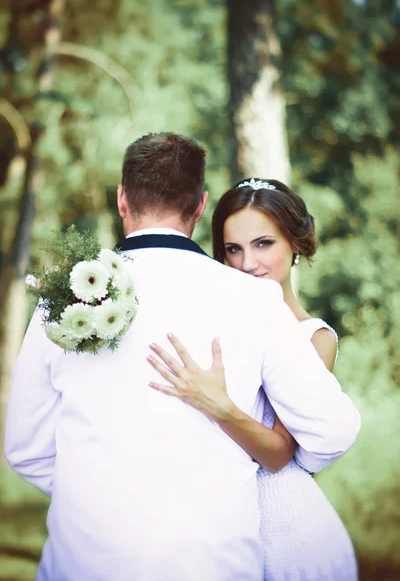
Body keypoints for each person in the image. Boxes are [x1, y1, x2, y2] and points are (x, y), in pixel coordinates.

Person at [4, 136, 360, 581]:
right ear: (200, 207)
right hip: (215, 564)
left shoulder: (67, 298)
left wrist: (102, 497)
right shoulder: (256, 300)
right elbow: (331, 432)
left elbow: (25, 448)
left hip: (83, 562)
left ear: (121, 199)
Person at [147, 177, 358, 580]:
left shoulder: (313, 338)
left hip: (279, 524)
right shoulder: (217, 318)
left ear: (294, 242)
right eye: (233, 249)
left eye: (264, 244)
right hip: (210, 514)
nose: (247, 264)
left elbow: (277, 455)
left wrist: (220, 407)